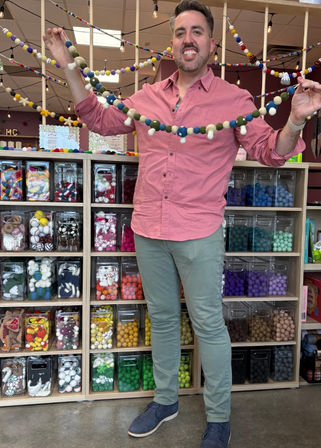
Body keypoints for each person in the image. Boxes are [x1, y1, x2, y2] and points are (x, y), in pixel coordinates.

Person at [44, 1, 321, 447]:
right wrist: (68, 67)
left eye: (196, 31)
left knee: (209, 323)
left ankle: (219, 417)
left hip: (199, 231)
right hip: (149, 228)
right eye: (179, 32)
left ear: (211, 43)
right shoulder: (146, 97)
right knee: (163, 317)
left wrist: (295, 119)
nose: (187, 39)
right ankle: (166, 399)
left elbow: (271, 151)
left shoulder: (236, 100)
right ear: (171, 43)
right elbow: (97, 116)